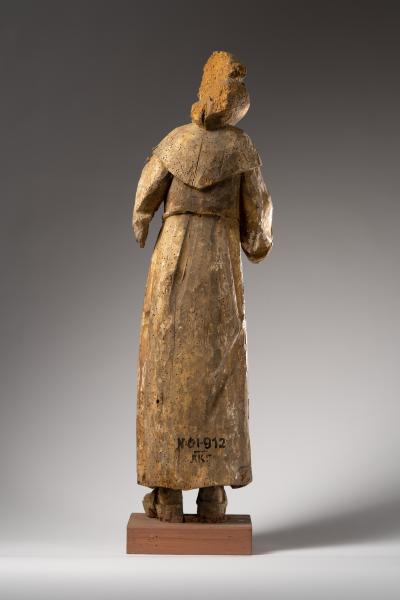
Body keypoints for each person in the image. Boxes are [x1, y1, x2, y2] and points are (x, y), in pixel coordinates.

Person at [132, 51, 273, 522]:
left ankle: (167, 493)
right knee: (219, 364)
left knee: (166, 366)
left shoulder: (174, 142)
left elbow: (145, 197)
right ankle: (212, 493)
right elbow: (258, 224)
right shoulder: (242, 150)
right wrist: (257, 243)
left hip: (173, 258)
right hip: (217, 264)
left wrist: (143, 220)